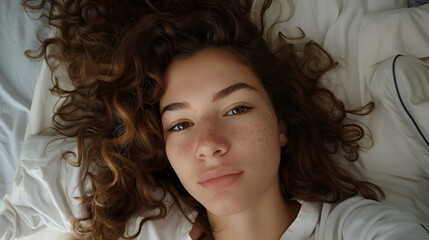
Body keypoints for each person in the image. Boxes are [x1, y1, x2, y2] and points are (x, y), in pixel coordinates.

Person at [10, 0, 427, 239]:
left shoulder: (357, 229)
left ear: (281, 126)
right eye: (180, 124)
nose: (208, 143)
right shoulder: (142, 222)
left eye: (236, 109)